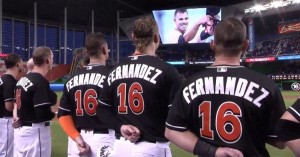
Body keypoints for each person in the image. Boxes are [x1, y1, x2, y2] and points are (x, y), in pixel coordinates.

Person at [165, 18, 286, 157]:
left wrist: (213, 151)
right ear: (245, 45)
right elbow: (280, 142)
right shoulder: (266, 85)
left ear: (212, 44)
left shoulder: (189, 83)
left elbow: (171, 131)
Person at [98, 16, 182, 157]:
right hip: (152, 147)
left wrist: (121, 126)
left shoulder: (115, 70)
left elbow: (102, 109)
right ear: (156, 38)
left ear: (133, 37)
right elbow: (178, 116)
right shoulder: (167, 70)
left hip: (120, 146)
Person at [57, 32, 113, 157]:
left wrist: (77, 138)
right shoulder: (112, 76)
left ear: (87, 52)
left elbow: (63, 114)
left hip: (77, 141)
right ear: (104, 49)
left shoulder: (72, 78)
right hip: (105, 140)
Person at [14, 46, 57, 157]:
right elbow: (42, 113)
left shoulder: (22, 80)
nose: (53, 60)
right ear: (47, 60)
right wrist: (56, 114)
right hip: (34, 132)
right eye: (52, 58)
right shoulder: (40, 81)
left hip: (21, 131)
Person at [0, 53, 23, 157]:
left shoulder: (3, 78)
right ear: (17, 64)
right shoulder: (10, 81)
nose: (23, 64)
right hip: (6, 121)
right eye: (22, 62)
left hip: (2, 120)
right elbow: (9, 106)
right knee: (6, 153)